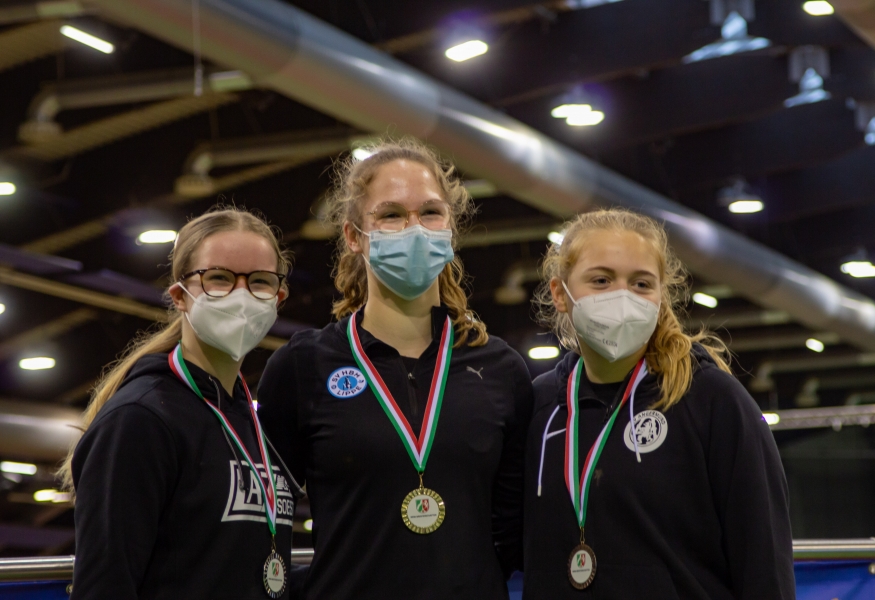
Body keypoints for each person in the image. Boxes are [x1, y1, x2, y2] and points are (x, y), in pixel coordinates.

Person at [257, 138, 533, 600]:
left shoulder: (500, 369)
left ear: (450, 230)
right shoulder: (303, 367)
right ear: (353, 236)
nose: (414, 229)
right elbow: (267, 522)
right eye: (391, 215)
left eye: (430, 213)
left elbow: (515, 527)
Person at [523, 209, 795, 599]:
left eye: (641, 284)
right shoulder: (539, 406)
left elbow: (763, 559)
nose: (621, 296)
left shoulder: (710, 399)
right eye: (601, 280)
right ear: (559, 294)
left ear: (660, 294)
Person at [61, 206, 301, 600]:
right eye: (219, 278)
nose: (241, 295)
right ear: (180, 296)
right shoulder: (140, 420)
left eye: (259, 281)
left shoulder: (253, 422)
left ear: (279, 297)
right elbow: (104, 587)